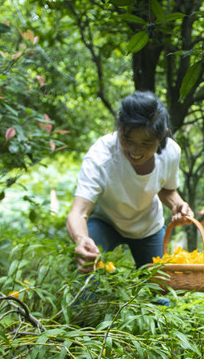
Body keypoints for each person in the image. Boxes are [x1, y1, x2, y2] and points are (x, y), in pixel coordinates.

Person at [66, 91, 193, 271]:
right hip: (106, 222)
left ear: (163, 135)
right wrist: (81, 240)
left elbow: (166, 189)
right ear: (119, 124)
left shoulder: (171, 152)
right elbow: (78, 213)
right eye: (127, 139)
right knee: (87, 270)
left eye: (146, 143)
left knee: (160, 284)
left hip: (148, 227)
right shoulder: (100, 157)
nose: (135, 151)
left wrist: (178, 205)